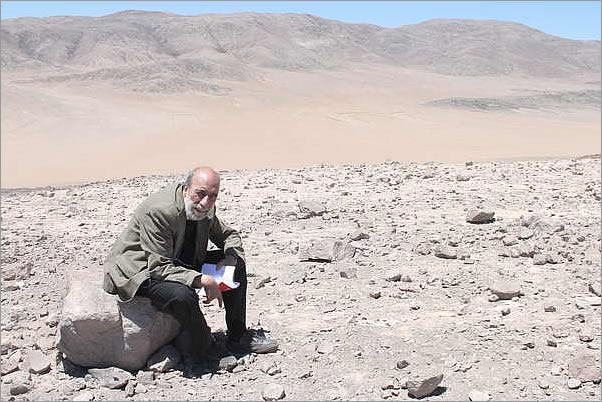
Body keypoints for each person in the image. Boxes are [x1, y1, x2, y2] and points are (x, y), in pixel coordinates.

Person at [103, 166, 278, 362]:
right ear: (186, 188)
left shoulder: (205, 208)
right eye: (200, 194)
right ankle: (205, 350)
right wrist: (201, 279)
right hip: (142, 269)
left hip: (177, 260)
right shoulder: (160, 211)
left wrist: (230, 256)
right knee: (182, 295)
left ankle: (238, 337)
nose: (205, 202)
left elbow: (228, 235)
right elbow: (159, 267)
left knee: (236, 266)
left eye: (212, 196)